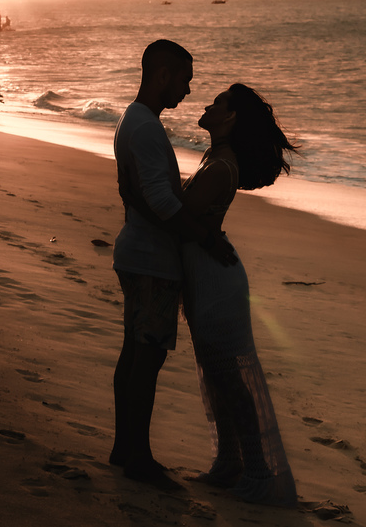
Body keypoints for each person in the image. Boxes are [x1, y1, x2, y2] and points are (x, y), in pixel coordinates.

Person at [110, 39, 232, 489]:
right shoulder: (144, 127)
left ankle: (126, 448)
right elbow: (160, 200)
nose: (186, 91)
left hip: (138, 254)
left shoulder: (134, 120)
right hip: (151, 262)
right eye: (184, 80)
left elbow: (141, 192)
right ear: (162, 75)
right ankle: (138, 456)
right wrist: (206, 239)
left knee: (134, 355)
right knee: (147, 359)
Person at [180, 83, 300, 507]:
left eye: (217, 103)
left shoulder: (221, 166)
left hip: (215, 281)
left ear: (230, 118)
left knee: (230, 377)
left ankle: (257, 470)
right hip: (206, 275)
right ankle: (230, 462)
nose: (207, 106)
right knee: (218, 375)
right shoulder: (216, 159)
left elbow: (179, 217)